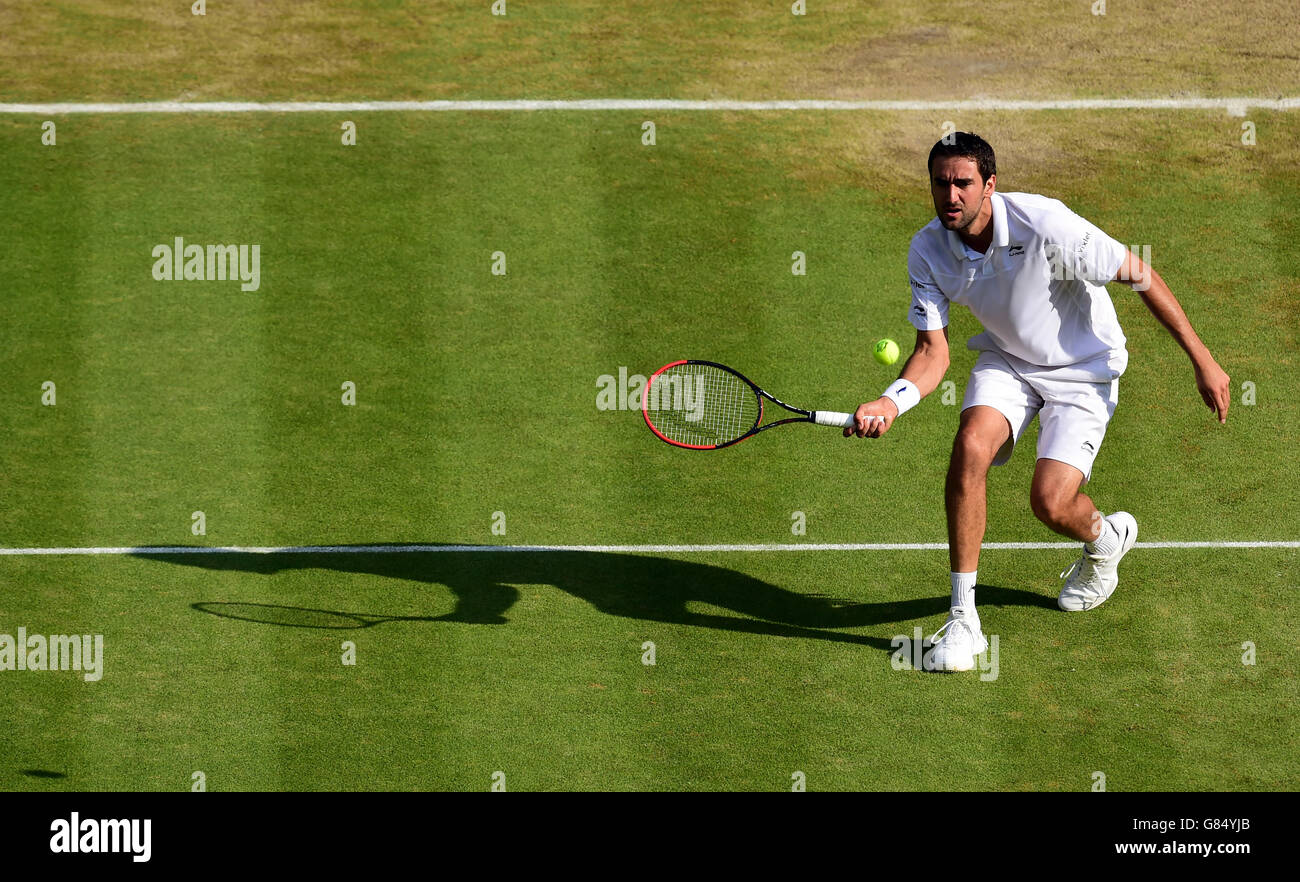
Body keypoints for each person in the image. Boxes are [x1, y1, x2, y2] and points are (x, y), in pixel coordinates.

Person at [846, 132, 1231, 672]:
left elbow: (1139, 273)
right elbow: (933, 353)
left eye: (963, 183)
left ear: (990, 185)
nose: (950, 195)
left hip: (1084, 368)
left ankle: (1106, 537)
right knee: (969, 448)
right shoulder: (926, 250)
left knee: (1050, 504)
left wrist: (1203, 359)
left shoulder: (1046, 224)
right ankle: (964, 622)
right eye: (940, 183)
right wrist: (891, 401)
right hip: (1009, 360)